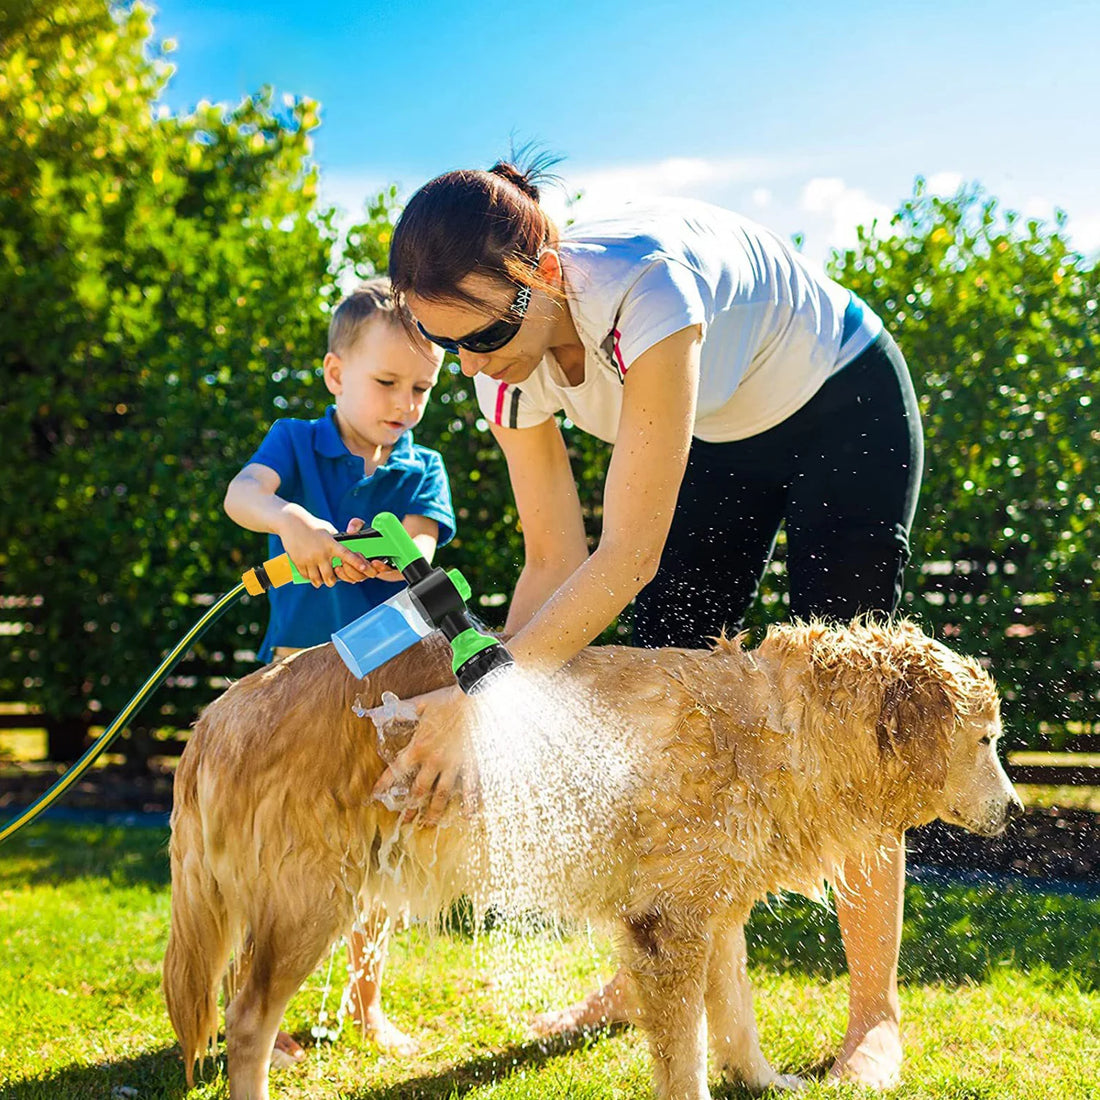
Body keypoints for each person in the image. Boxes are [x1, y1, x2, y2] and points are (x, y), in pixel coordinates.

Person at [375, 162, 924, 1089]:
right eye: (441, 340)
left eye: (489, 333)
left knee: (850, 716)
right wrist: (495, 700)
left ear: (544, 275)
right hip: (717, 436)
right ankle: (641, 972)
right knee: (665, 687)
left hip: (842, 404)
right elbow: (554, 563)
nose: (470, 364)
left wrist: (483, 699)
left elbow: (625, 555)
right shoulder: (499, 377)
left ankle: (874, 1013)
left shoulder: (646, 288)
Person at [224, 278, 453, 1065]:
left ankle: (367, 1004)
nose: (406, 403)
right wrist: (292, 521)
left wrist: (381, 548)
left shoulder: (421, 470)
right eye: (387, 382)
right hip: (294, 685)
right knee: (282, 847)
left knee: (375, 843)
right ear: (335, 374)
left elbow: (420, 551)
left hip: (380, 690)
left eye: (422, 387)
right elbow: (241, 494)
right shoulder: (293, 442)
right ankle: (255, 1003)